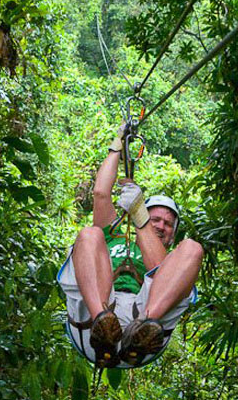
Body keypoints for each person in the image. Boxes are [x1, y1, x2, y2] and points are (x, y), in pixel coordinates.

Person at [57, 124, 204, 368]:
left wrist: (140, 214)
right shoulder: (114, 236)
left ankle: (143, 328)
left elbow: (158, 267)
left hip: (143, 326)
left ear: (172, 234)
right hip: (95, 319)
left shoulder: (172, 264)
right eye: (155, 219)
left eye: (168, 224)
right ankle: (102, 322)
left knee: (192, 249)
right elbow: (101, 193)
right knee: (90, 235)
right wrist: (117, 144)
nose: (160, 225)